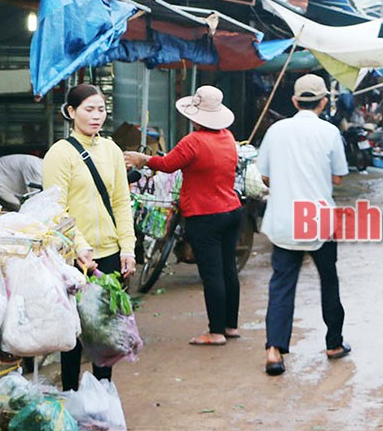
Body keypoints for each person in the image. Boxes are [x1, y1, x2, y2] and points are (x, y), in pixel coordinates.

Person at [124, 85, 242, 347]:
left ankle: (216, 332)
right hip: (232, 210)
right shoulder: (228, 137)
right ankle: (231, 326)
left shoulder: (194, 141)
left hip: (205, 215)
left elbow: (167, 165)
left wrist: (142, 158)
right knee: (228, 271)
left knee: (212, 274)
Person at [41, 83, 136, 387]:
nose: (96, 116)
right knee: (74, 335)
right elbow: (56, 208)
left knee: (103, 332)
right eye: (88, 109)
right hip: (74, 258)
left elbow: (121, 202)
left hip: (107, 256)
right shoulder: (60, 154)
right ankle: (70, 394)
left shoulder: (111, 150)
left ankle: (103, 396)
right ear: (71, 112)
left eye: (101, 110)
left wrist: (128, 248)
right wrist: (79, 245)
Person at [258, 74, 350, 376]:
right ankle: (334, 343)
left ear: (295, 101)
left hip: (284, 221)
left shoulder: (276, 131)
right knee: (329, 280)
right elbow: (338, 177)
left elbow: (265, 176)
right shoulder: (329, 132)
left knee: (281, 286)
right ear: (323, 102)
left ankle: (274, 351)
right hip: (319, 221)